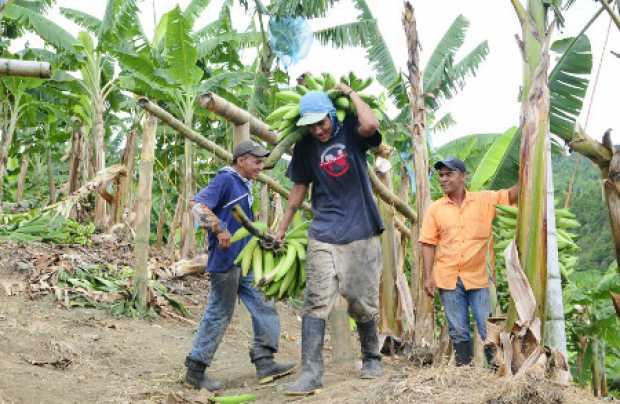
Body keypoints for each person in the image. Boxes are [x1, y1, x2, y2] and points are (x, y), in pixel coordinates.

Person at [274, 84, 384, 396]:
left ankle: (372, 358)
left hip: (361, 229)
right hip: (323, 231)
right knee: (315, 301)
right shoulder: (305, 148)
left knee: (362, 303)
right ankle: (310, 372)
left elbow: (372, 126)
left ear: (332, 116)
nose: (319, 130)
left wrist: (350, 93)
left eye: (322, 122)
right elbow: (298, 189)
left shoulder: (351, 132)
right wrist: (282, 227)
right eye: (312, 125)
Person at [184, 140, 295, 391]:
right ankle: (195, 370)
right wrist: (218, 227)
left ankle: (265, 361)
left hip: (242, 259)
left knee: (263, 302)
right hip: (225, 261)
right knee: (219, 313)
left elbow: (242, 223)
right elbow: (196, 205)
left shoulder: (244, 184)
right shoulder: (226, 179)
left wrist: (265, 239)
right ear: (241, 160)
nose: (260, 167)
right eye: (256, 162)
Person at [418, 157, 518, 367]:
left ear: (463, 176)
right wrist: (428, 277)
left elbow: (511, 195)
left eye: (449, 174)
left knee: (487, 327)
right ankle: (465, 373)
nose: (443, 179)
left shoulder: (485, 200)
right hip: (448, 278)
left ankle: (495, 373)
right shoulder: (436, 209)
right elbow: (428, 243)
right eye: (441, 175)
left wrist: (528, 167)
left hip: (480, 277)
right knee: (458, 329)